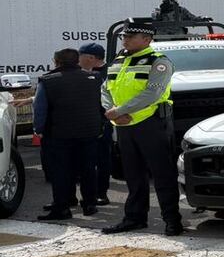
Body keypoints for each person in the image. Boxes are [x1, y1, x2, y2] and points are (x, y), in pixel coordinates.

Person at [101, 19, 183, 236]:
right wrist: (113, 112)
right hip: (125, 125)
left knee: (162, 174)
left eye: (130, 36)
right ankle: (134, 218)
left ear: (146, 39)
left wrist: (119, 112)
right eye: (124, 37)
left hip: (152, 124)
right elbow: (106, 88)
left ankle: (172, 220)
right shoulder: (119, 60)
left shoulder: (159, 62)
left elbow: (153, 93)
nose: (125, 39)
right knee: (133, 174)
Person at [33, 48, 102, 220]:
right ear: (77, 61)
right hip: (89, 131)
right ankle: (89, 204)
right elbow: (101, 104)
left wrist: (38, 129)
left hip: (59, 133)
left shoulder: (47, 80)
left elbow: (40, 109)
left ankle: (62, 207)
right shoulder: (94, 78)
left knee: (61, 171)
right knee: (88, 169)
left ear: (56, 62)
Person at [79, 43, 112, 205]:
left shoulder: (109, 73)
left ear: (91, 58)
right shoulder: (80, 73)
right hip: (82, 123)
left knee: (102, 159)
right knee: (84, 160)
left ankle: (101, 193)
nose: (78, 59)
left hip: (102, 122)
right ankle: (87, 195)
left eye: (81, 56)